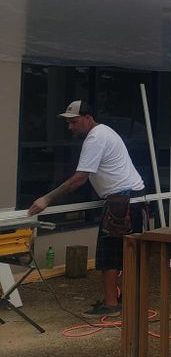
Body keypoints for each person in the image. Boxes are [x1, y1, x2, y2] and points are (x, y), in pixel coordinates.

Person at [28, 100, 147, 316]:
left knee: (109, 257)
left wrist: (46, 199)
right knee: (126, 254)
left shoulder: (95, 138)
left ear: (88, 118)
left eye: (74, 122)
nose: (70, 127)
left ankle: (111, 305)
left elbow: (80, 178)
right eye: (68, 123)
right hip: (130, 200)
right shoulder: (105, 133)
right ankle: (127, 301)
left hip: (121, 204)